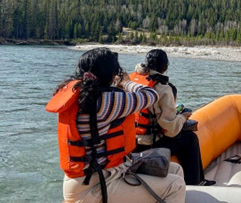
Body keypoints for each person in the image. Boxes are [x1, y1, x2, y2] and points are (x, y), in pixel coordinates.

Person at [46, 47, 186, 203]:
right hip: (95, 186)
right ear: (109, 74)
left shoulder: (77, 94)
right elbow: (151, 95)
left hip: (90, 178)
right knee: (176, 185)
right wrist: (127, 83)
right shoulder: (107, 102)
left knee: (175, 169)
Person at [130, 49, 213, 186]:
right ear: (165, 68)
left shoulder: (131, 80)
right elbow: (171, 129)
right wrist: (182, 117)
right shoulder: (162, 88)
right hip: (148, 145)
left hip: (131, 143)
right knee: (190, 138)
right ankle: (196, 182)